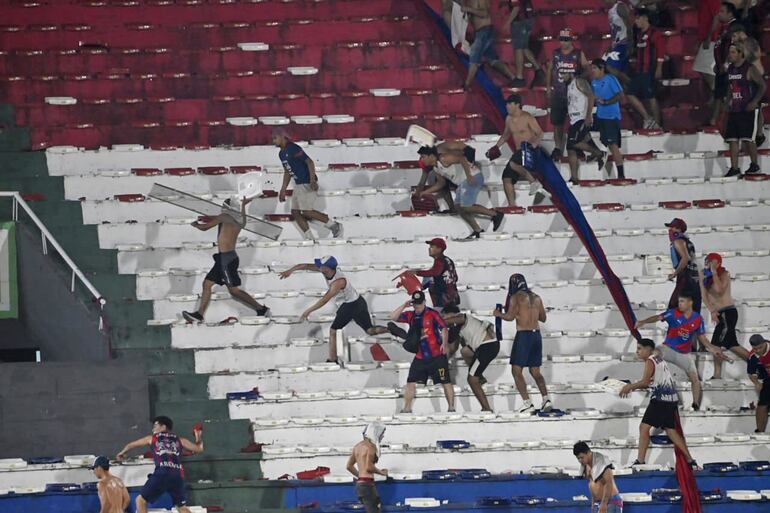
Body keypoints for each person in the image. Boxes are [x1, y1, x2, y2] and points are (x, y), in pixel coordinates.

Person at [279, 256, 387, 363]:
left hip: (350, 305)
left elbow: (324, 300)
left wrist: (308, 311)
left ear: (327, 268)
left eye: (321, 265)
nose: (318, 266)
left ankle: (332, 359)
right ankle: (391, 329)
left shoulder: (338, 282)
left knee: (333, 330)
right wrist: (290, 271)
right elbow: (305, 266)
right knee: (370, 330)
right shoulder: (326, 270)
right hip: (359, 301)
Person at [635, 293, 729, 410]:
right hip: (668, 348)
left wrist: (712, 348)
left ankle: (695, 405)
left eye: (682, 301)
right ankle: (648, 382)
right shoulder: (673, 313)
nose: (679, 304)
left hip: (684, 354)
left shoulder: (698, 319)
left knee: (695, 379)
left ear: (690, 303)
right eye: (679, 301)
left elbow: (702, 338)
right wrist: (643, 321)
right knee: (653, 354)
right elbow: (658, 317)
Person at [182, 197, 268, 323]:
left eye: (224, 206)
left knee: (234, 290)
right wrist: (243, 205)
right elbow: (243, 222)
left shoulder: (224, 216)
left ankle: (260, 308)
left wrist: (195, 225)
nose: (222, 208)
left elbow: (205, 227)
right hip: (227, 257)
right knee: (207, 284)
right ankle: (199, 314)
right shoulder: (239, 220)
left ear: (227, 208)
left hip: (226, 259)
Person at [619, 339, 698, 467]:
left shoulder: (650, 360)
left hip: (661, 399)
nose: (637, 352)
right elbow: (650, 382)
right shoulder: (659, 360)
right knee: (670, 430)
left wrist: (630, 387)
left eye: (639, 348)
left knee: (644, 428)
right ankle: (690, 460)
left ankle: (640, 461)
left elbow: (645, 382)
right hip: (671, 399)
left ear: (648, 349)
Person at [116, 416, 203, 513]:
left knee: (140, 500)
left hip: (162, 472)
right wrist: (198, 435)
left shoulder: (152, 438)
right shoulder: (180, 440)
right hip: (177, 475)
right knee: (181, 507)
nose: (153, 428)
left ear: (163, 426)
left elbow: (131, 445)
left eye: (155, 425)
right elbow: (199, 449)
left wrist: (122, 452)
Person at [416, 145, 504, 239]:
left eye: (423, 157)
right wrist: (425, 192)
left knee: (466, 206)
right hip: (463, 183)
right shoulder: (436, 168)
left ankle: (495, 214)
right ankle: (478, 230)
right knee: (458, 207)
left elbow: (462, 159)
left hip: (473, 177)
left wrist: (469, 175)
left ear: (432, 156)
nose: (421, 159)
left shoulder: (443, 158)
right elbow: (441, 183)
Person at [494, 273, 551, 413]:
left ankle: (527, 403)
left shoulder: (516, 297)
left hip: (524, 335)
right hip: (536, 335)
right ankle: (546, 399)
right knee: (535, 371)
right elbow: (543, 318)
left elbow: (509, 317)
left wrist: (498, 314)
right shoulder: (537, 297)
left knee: (516, 371)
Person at [391, 291, 455, 413]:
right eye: (415, 304)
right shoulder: (410, 315)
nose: (417, 307)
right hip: (420, 356)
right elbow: (393, 317)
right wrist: (404, 306)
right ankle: (407, 409)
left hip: (436, 355)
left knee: (446, 381)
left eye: (419, 304)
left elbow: (444, 328)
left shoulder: (432, 314)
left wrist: (444, 344)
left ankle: (451, 408)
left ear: (424, 302)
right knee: (410, 382)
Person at [273, 128, 342, 240]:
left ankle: (335, 226)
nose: (273, 141)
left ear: (282, 137)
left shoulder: (293, 148)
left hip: (307, 183)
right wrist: (283, 189)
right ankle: (309, 237)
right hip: (298, 184)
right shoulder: (281, 154)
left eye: (275, 138)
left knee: (306, 211)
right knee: (295, 212)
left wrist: (312, 180)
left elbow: (309, 162)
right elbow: (287, 171)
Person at [486, 94, 548, 206]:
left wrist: (533, 144)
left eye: (509, 104)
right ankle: (512, 206)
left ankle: (534, 182)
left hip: (530, 150)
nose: (507, 106)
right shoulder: (508, 119)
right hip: (519, 152)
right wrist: (496, 147)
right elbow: (505, 135)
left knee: (513, 163)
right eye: (507, 104)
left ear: (517, 105)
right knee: (506, 178)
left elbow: (539, 133)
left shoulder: (527, 117)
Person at [699, 252, 750, 379]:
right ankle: (759, 365)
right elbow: (704, 295)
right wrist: (711, 310)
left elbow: (719, 290)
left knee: (716, 344)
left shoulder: (724, 274)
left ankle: (717, 375)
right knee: (732, 344)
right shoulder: (702, 274)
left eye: (711, 261)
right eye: (707, 261)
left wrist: (714, 272)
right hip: (719, 313)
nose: (708, 263)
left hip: (728, 312)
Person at [443, 305, 500, 411]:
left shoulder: (462, 317)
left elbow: (450, 320)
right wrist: (443, 360)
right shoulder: (457, 329)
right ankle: (481, 377)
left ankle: (486, 408)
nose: (445, 317)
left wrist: (438, 321)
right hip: (483, 347)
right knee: (465, 351)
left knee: (471, 379)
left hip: (487, 346)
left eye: (446, 315)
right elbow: (454, 347)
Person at [546, 28, 591, 160]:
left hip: (575, 94)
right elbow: (549, 70)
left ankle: (578, 146)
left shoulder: (578, 54)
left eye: (566, 39)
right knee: (557, 123)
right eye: (561, 39)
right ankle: (558, 147)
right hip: (559, 92)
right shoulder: (555, 54)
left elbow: (587, 70)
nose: (563, 42)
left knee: (577, 122)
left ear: (571, 40)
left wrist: (575, 77)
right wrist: (548, 87)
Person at [723, 42, 765, 177]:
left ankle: (754, 165)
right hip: (734, 108)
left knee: (748, 139)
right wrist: (727, 100)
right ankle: (734, 168)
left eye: (733, 52)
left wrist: (754, 102)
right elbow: (731, 86)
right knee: (732, 139)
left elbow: (762, 86)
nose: (730, 55)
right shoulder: (730, 69)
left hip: (748, 109)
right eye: (730, 52)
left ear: (741, 53)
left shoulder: (749, 68)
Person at [461, 0, 518, 89]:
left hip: (484, 31)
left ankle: (467, 85)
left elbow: (485, 13)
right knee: (493, 60)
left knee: (474, 58)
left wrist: (469, 9)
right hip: (482, 32)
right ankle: (513, 78)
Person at [563, 67, 606, 183]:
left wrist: (588, 116)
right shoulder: (569, 85)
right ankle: (574, 178)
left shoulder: (579, 81)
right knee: (570, 149)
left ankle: (598, 153)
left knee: (574, 143)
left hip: (581, 118)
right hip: (574, 119)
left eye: (564, 74)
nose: (562, 77)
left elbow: (591, 96)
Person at [626, 9, 665, 129]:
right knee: (630, 94)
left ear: (645, 18)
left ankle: (657, 125)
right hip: (639, 71)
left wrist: (659, 68)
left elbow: (661, 52)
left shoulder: (655, 33)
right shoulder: (639, 34)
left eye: (637, 18)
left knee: (651, 97)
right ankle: (648, 118)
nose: (635, 21)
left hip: (649, 71)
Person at [591, 59, 626, 179]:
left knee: (613, 145)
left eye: (594, 68)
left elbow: (620, 95)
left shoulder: (610, 79)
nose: (592, 71)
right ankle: (599, 153)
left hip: (611, 116)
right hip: (600, 116)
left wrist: (606, 102)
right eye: (592, 68)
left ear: (602, 68)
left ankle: (621, 174)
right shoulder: (594, 82)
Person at [407, 238, 460, 310]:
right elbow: (455, 277)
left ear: (439, 249)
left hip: (442, 299)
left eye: (432, 247)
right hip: (453, 298)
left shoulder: (439, 261)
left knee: (441, 319)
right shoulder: (448, 260)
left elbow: (435, 272)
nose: (429, 249)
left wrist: (417, 272)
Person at [710, 2, 741, 126]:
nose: (719, 14)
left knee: (728, 95)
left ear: (730, 13)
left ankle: (727, 122)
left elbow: (735, 47)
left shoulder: (735, 27)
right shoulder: (724, 27)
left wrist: (727, 63)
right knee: (718, 94)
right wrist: (717, 64)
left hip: (730, 68)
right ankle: (715, 121)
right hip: (721, 67)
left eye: (722, 11)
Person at [347, 422, 388, 513]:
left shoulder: (357, 447)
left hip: (360, 485)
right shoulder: (371, 447)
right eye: (382, 434)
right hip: (368, 485)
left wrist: (360, 475)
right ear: (376, 433)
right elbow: (369, 467)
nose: (382, 436)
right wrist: (382, 472)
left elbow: (349, 466)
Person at [572, 442, 623, 513]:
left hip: (610, 501)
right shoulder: (586, 465)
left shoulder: (602, 462)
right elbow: (592, 484)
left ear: (588, 452)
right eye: (578, 458)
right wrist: (593, 503)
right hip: (598, 502)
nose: (580, 460)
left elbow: (608, 483)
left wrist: (604, 504)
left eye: (582, 457)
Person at [505, 0, 545, 88]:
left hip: (520, 21)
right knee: (524, 48)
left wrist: (507, 22)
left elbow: (516, 7)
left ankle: (520, 78)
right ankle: (538, 70)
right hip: (528, 19)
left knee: (518, 48)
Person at [665, 218, 701, 314]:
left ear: (679, 229)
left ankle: (675, 328)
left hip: (685, 276)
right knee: (692, 310)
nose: (670, 230)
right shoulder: (689, 242)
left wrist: (675, 274)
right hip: (694, 276)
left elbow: (685, 258)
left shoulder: (678, 241)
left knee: (673, 307)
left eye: (672, 227)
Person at [694, 0, 722, 94]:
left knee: (706, 70)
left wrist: (709, 37)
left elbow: (716, 18)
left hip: (711, 41)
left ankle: (718, 95)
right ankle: (715, 95)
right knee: (702, 69)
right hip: (705, 39)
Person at [604, 0, 633, 81]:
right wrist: (611, 45)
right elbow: (614, 30)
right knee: (621, 71)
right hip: (616, 43)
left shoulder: (620, 6)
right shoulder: (610, 11)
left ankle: (632, 84)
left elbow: (628, 24)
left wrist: (630, 42)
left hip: (623, 42)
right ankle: (628, 89)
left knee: (609, 67)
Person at [748, 334, 770, 432]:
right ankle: (759, 431)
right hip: (767, 379)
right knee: (762, 403)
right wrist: (756, 382)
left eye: (760, 348)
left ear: (765, 343)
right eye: (755, 349)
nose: (758, 351)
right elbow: (752, 374)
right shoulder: (753, 356)